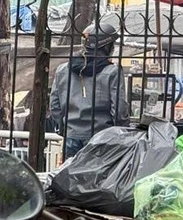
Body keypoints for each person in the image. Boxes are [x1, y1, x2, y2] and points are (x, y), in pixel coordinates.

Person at [46, 20, 126, 158]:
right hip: (101, 136)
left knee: (71, 171)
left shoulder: (62, 70)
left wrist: (65, 128)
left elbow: (54, 105)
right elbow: (119, 109)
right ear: (107, 47)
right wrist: (121, 132)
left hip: (71, 135)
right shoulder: (112, 72)